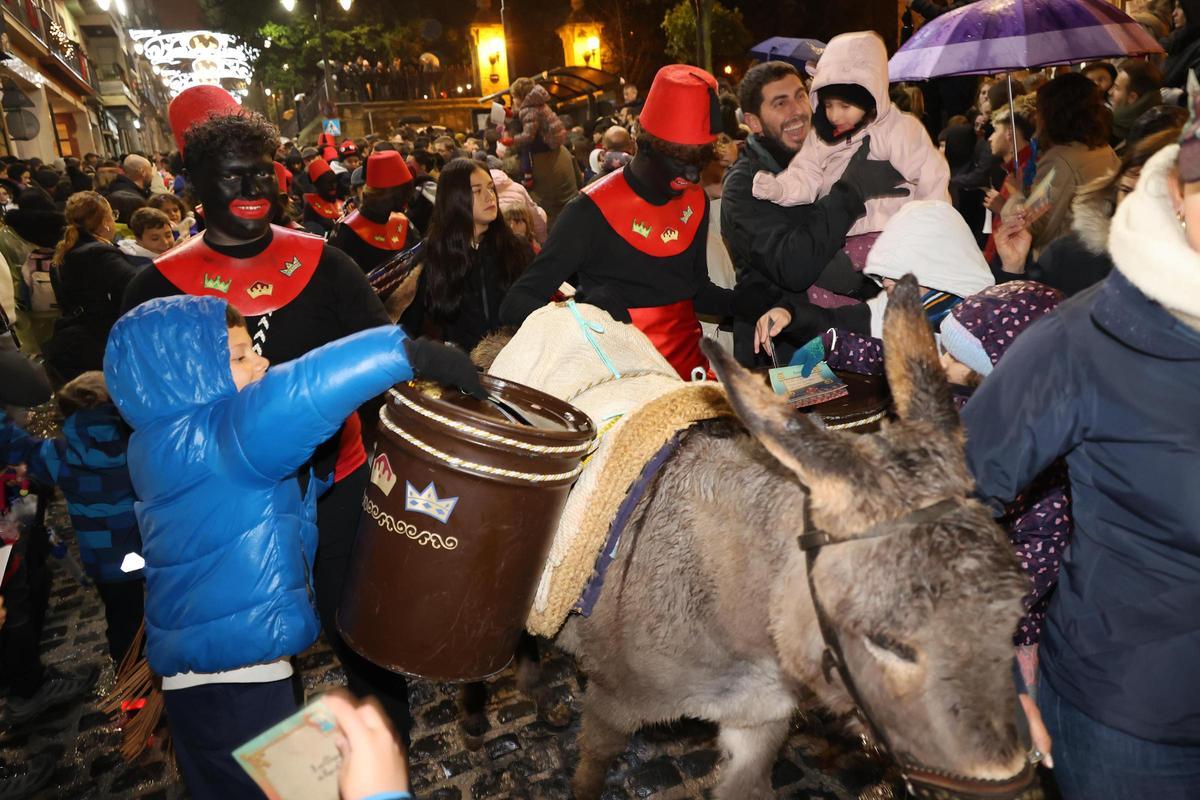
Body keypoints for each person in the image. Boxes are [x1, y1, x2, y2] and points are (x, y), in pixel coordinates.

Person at [122, 85, 417, 744]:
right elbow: (138, 415)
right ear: (196, 181)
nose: (253, 186)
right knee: (254, 667)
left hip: (336, 484)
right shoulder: (156, 287)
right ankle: (280, 771)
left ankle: (387, 755)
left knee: (362, 635)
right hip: (226, 517)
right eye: (234, 173)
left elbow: (379, 361)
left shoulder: (325, 263)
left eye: (263, 171)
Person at [103, 294, 481, 800]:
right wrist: (410, 354)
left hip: (209, 678)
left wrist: (311, 483)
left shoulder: (158, 442)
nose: (260, 361)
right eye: (238, 356)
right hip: (240, 684)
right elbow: (305, 389)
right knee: (303, 791)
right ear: (188, 376)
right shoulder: (219, 434)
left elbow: (229, 513)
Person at [962, 116, 1200, 799]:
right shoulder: (1078, 342)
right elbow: (947, 502)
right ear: (1173, 193)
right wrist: (989, 681)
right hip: (1139, 733)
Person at [501, 65, 754, 380]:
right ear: (643, 146)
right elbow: (515, 303)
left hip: (690, 377)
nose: (692, 176)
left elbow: (694, 290)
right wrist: (579, 310)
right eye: (681, 161)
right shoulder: (589, 211)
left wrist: (749, 302)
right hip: (620, 382)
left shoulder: (695, 200)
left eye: (700, 161)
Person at [721, 60, 909, 366]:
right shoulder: (746, 186)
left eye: (800, 96)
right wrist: (850, 192)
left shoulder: (830, 155)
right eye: (780, 103)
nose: (797, 110)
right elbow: (794, 267)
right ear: (753, 122)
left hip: (844, 331)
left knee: (865, 412)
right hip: (781, 350)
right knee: (812, 416)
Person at [751, 31, 950, 269]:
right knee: (827, 292)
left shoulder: (897, 129)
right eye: (827, 105)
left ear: (869, 97)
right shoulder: (821, 137)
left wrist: (932, 231)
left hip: (892, 234)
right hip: (839, 237)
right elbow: (805, 173)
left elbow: (931, 177)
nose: (834, 115)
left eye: (845, 105)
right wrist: (780, 188)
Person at [0, 371, 144, 664]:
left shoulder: (61, 455)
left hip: (108, 563)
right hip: (151, 549)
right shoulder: (141, 446)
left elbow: (19, 447)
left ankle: (133, 690)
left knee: (123, 622)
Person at [759, 200, 995, 371]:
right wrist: (788, 313)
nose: (886, 283)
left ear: (935, 267)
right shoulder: (895, 307)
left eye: (897, 274)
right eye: (885, 275)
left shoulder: (983, 325)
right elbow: (834, 322)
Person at [992, 126, 1180, 296]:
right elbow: (1023, 324)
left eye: (1155, 194)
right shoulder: (1073, 254)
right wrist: (1013, 268)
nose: (1133, 206)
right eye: (1127, 190)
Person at [401, 159, 532, 352]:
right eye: (477, 191)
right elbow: (410, 328)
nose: (490, 197)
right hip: (461, 372)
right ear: (455, 198)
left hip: (517, 363)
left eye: (490, 188)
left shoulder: (515, 248)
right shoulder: (432, 257)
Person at [1003, 73, 1119, 258]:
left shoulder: (1060, 161)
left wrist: (1016, 196)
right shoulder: (1103, 149)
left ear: (1052, 113)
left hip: (1062, 262)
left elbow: (1033, 227)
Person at [42, 192, 140, 382]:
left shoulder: (65, 252)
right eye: (113, 215)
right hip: (100, 341)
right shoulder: (100, 254)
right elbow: (135, 285)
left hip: (76, 340)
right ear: (105, 221)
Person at [329, 151, 419, 274]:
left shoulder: (403, 222)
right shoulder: (346, 231)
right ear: (383, 194)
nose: (408, 199)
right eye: (402, 192)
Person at [509, 77, 579, 226]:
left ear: (520, 97)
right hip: (573, 214)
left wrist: (511, 141)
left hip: (556, 223)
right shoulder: (563, 151)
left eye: (514, 97)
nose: (513, 101)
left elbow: (542, 201)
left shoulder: (539, 160)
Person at [1109, 59, 1165, 146]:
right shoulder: (1164, 120)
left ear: (1132, 97)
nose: (1110, 92)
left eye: (1117, 88)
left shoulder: (1122, 132)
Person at [303, 157, 345, 237]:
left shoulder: (342, 202)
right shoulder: (311, 206)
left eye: (334, 182)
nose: (333, 186)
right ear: (317, 185)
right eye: (327, 183)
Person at [1163, 0, 1200, 87]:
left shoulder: (1196, 46)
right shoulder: (1177, 42)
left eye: (1180, 8)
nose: (1174, 13)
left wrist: (1179, 95)